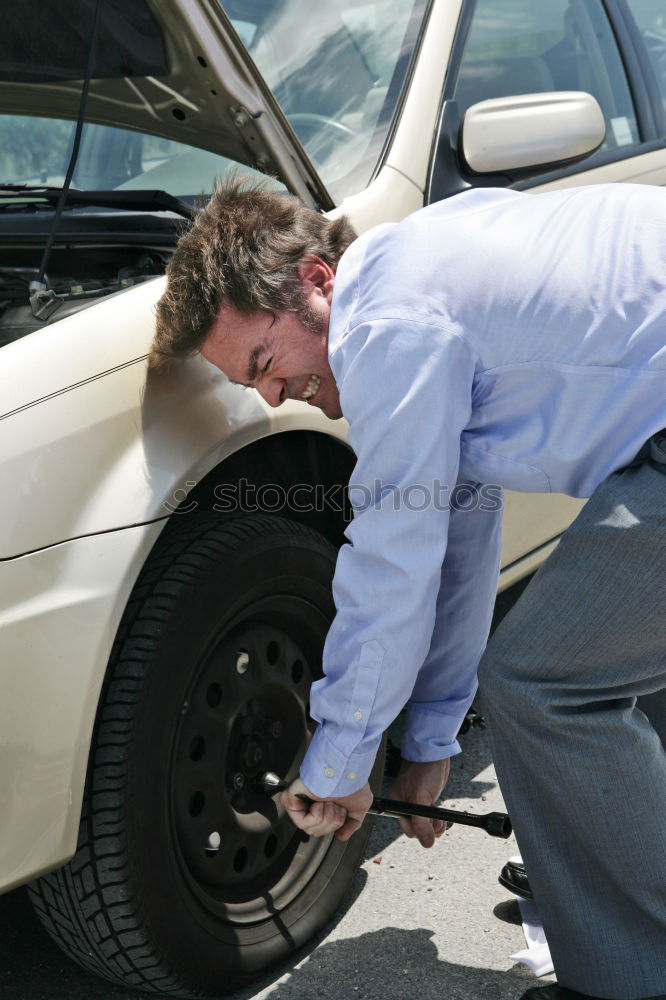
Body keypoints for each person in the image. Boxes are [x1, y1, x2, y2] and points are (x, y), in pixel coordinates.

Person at [150, 177, 666, 1000]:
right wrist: (427, 743)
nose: (277, 396)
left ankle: (634, 982)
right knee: (586, 672)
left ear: (318, 282)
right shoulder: (417, 270)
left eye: (265, 362)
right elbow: (455, 541)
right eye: (253, 388)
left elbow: (393, 554)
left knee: (546, 688)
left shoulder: (388, 325)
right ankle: (621, 910)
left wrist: (341, 757)